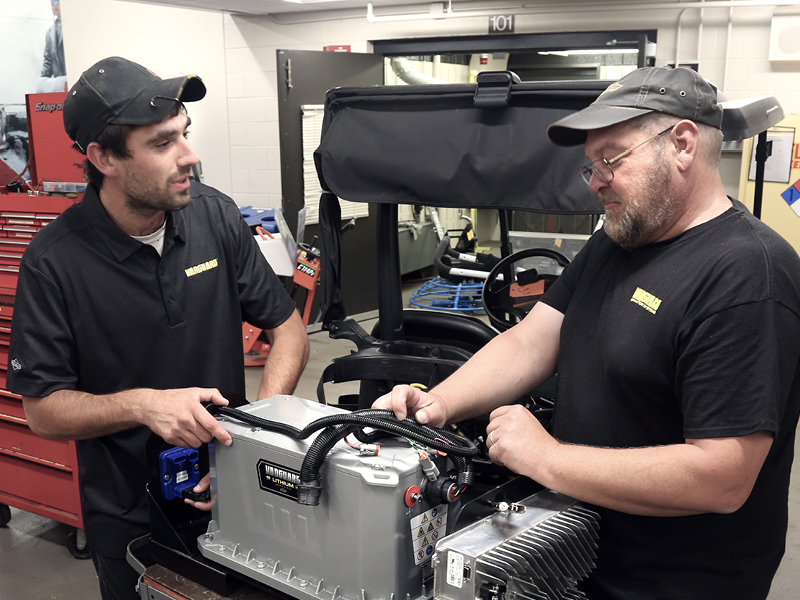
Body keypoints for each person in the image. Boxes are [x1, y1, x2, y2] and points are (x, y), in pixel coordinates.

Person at [375, 66, 800, 600]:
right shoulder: (616, 242)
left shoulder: (748, 275)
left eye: (611, 160)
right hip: (574, 555)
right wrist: (436, 405)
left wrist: (546, 457)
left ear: (683, 144)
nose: (596, 181)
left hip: (669, 584)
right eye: (590, 166)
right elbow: (529, 342)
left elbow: (722, 476)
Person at [8, 56, 309, 600]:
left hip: (229, 490)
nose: (189, 156)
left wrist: (251, 446)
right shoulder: (54, 263)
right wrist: (144, 405)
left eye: (185, 134)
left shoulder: (216, 217)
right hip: (128, 516)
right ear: (103, 158)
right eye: (163, 142)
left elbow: (288, 329)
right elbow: (43, 411)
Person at [37, 0, 67, 93]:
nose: (54, 6)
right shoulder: (50, 32)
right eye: (52, 3)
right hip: (59, 87)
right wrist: (42, 82)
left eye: (57, 2)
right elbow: (48, 60)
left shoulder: (72, 27)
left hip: (75, 81)